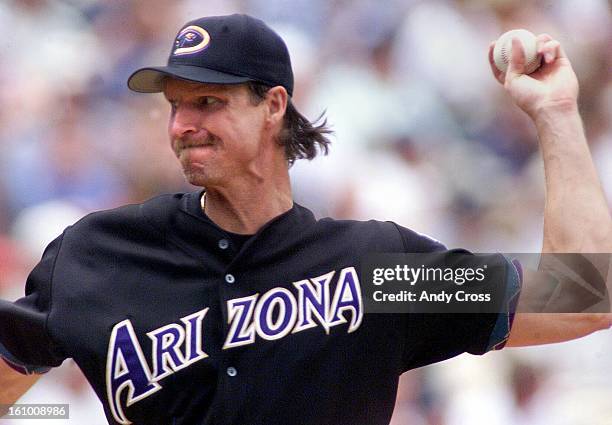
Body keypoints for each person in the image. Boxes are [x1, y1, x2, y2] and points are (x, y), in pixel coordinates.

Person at [1, 13, 611, 425]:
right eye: (175, 105)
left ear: (273, 106)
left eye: (208, 101)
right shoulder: (98, 253)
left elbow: (584, 295)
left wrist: (556, 113)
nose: (183, 124)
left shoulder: (378, 271)